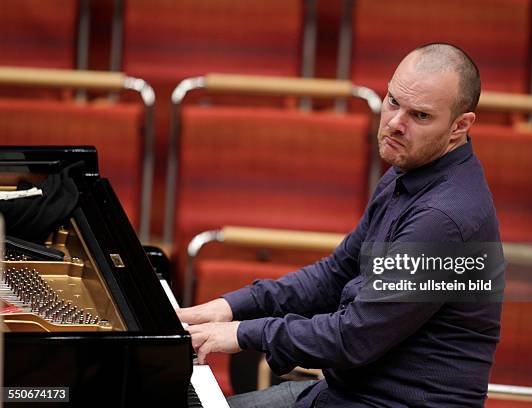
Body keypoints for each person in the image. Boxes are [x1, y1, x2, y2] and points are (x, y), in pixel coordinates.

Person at [176, 43, 502, 407]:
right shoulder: (408, 172)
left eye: (420, 116)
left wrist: (239, 333)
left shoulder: (443, 221)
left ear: (460, 126)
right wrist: (228, 307)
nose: (395, 123)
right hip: (349, 393)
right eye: (393, 102)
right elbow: (335, 274)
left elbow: (353, 338)